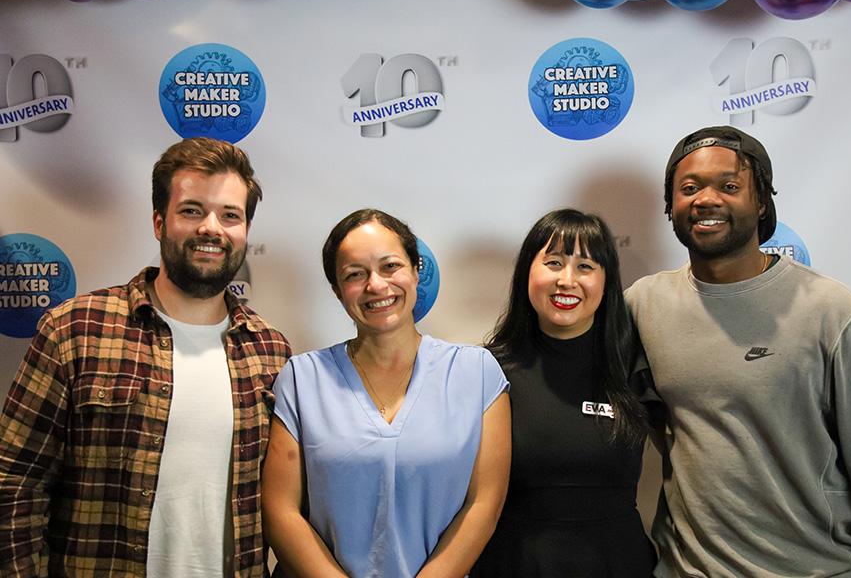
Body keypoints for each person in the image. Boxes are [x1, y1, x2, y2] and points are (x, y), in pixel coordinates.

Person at [0, 137, 292, 577]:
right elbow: (15, 484)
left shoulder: (270, 350)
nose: (212, 228)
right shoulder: (75, 330)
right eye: (192, 210)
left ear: (245, 232)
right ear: (159, 222)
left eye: (230, 215)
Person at [625, 126, 851, 576]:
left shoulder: (834, 312)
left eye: (729, 186)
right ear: (670, 207)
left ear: (761, 203)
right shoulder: (643, 305)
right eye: (689, 188)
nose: (706, 199)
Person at [261, 209, 511, 578]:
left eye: (390, 266)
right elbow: (280, 510)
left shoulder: (476, 374)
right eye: (355, 274)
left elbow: (483, 505)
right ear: (337, 290)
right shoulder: (302, 379)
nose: (376, 285)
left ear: (415, 271)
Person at [473, 209, 656, 578]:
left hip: (619, 564)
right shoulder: (486, 371)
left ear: (606, 282)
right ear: (527, 272)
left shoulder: (636, 364)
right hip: (515, 565)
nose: (566, 280)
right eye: (553, 263)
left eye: (585, 266)